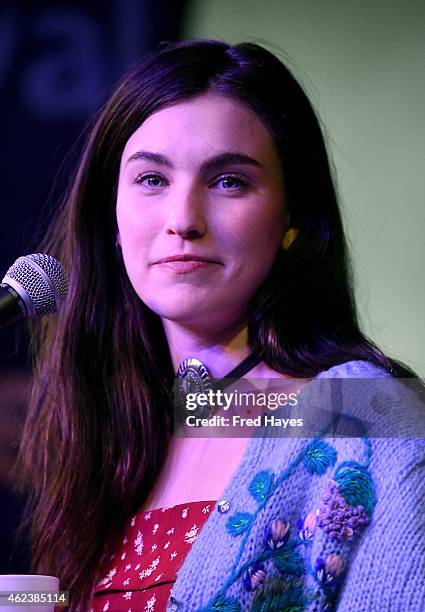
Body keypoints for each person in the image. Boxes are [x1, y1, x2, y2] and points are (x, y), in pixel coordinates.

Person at [15, 39, 424, 611]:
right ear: (110, 213)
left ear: (292, 218)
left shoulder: (365, 414)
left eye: (229, 181)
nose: (183, 220)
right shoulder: (119, 428)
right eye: (151, 180)